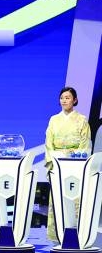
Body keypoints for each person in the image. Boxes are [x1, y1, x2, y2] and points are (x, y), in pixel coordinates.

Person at [44, 86, 91, 243]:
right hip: (57, 163)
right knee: (58, 197)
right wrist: (55, 158)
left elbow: (85, 144)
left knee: (74, 197)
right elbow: (48, 143)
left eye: (68, 97)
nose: (64, 100)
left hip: (74, 165)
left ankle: (75, 234)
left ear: (75, 100)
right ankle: (58, 234)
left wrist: (75, 157)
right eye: (62, 97)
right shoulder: (53, 120)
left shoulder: (82, 120)